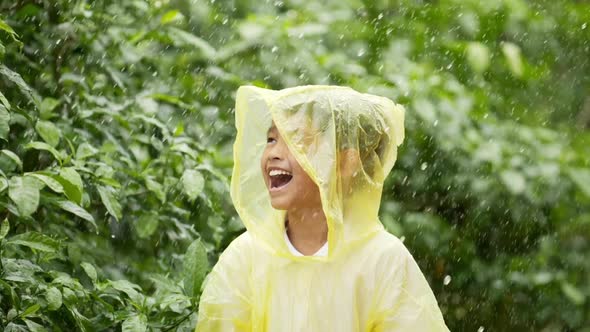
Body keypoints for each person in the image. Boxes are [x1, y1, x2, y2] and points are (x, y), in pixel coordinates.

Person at [195, 85, 450, 331]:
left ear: (345, 163)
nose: (273, 152)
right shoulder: (245, 258)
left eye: (297, 141)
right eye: (271, 139)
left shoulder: (383, 260)